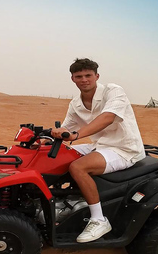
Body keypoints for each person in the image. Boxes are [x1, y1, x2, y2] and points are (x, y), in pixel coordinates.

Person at [51, 58, 145, 243]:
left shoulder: (113, 91)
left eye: (88, 75)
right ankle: (65, 203)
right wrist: (51, 137)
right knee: (59, 157)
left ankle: (99, 219)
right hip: (99, 146)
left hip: (124, 149)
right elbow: (66, 129)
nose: (84, 79)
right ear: (73, 79)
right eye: (79, 76)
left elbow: (107, 118)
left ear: (97, 76)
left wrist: (75, 135)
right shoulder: (76, 103)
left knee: (78, 167)